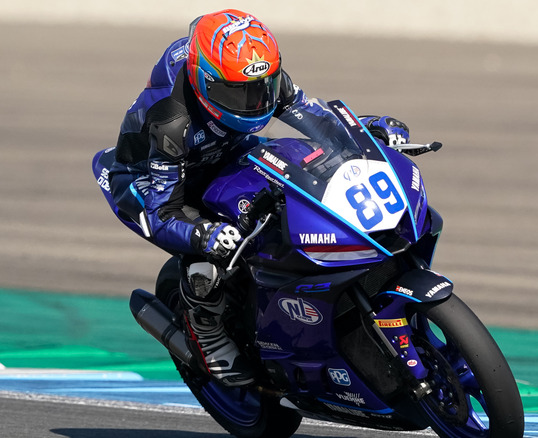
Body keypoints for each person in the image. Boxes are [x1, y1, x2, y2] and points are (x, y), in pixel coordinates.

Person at [107, 9, 410, 387]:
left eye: (260, 89)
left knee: (300, 166)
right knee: (211, 254)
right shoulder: (171, 121)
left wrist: (364, 133)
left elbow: (313, 117)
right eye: (237, 92)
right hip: (149, 182)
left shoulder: (259, 77)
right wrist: (205, 234)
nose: (253, 101)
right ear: (206, 81)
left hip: (224, 150)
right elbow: (164, 210)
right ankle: (206, 330)